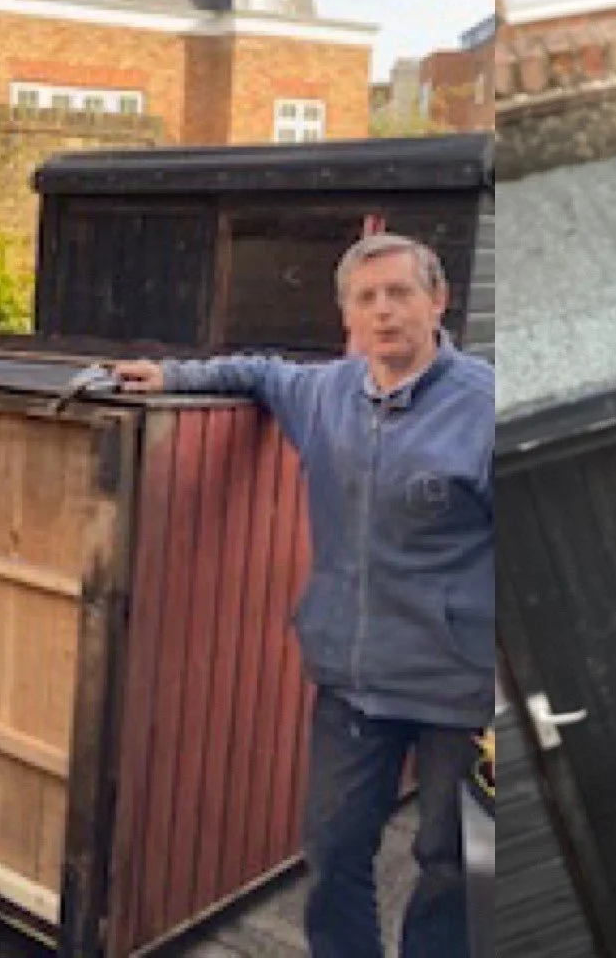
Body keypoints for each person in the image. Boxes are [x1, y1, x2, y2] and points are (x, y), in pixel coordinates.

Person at [114, 231, 493, 958]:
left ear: (438, 301)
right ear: (347, 316)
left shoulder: (483, 409)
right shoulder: (324, 393)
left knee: (454, 867)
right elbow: (256, 372)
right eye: (366, 298)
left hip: (461, 689)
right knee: (333, 854)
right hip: (352, 683)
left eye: (400, 293)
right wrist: (167, 376)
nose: (384, 312)